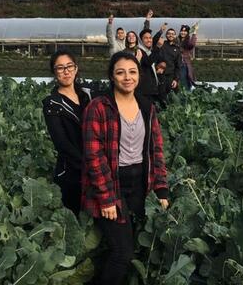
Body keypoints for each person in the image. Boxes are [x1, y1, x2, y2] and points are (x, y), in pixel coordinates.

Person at [82, 51, 169, 285]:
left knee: (137, 245)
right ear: (112, 76)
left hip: (140, 183)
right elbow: (94, 155)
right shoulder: (99, 107)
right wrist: (107, 198)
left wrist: (161, 188)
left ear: (139, 75)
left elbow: (155, 150)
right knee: (122, 253)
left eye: (132, 72)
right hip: (112, 183)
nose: (127, 77)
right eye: (120, 72)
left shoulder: (147, 106)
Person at [42, 50, 91, 215]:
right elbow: (62, 143)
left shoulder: (87, 96)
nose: (66, 71)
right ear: (54, 72)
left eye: (70, 66)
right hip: (72, 171)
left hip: (96, 166)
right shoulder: (52, 104)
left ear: (76, 69)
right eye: (60, 68)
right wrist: (87, 166)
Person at [155, 27, 181, 96]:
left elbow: (178, 66)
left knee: (170, 96)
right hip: (159, 74)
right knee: (159, 96)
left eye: (172, 34)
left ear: (175, 36)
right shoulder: (161, 44)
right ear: (166, 35)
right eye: (169, 33)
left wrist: (176, 79)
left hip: (170, 76)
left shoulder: (177, 49)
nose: (171, 35)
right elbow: (155, 57)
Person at [178, 23, 199, 90]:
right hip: (176, 64)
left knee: (185, 82)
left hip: (184, 64)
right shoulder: (177, 40)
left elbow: (192, 44)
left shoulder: (188, 41)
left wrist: (195, 31)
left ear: (187, 33)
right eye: (182, 31)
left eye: (185, 31)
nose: (183, 32)